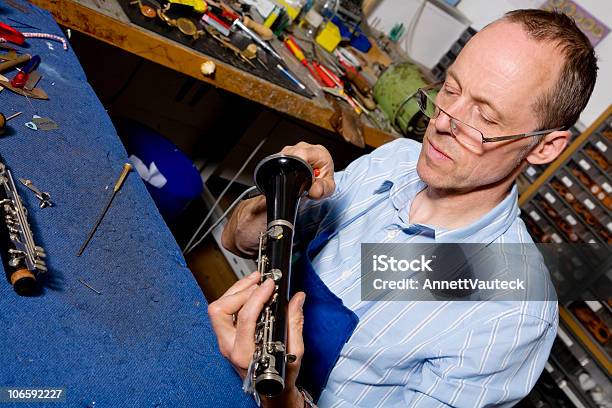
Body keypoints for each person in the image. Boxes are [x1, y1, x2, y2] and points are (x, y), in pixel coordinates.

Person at [208, 9, 598, 408]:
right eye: (450, 89)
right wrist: (287, 188)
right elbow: (235, 239)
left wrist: (279, 393)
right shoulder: (394, 161)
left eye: (484, 116)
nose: (443, 123)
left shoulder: (512, 315)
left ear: (544, 146)